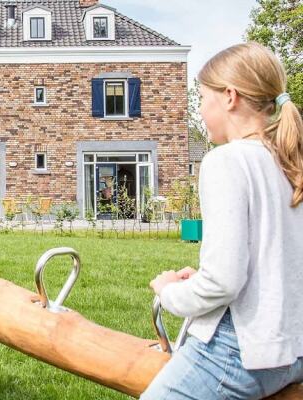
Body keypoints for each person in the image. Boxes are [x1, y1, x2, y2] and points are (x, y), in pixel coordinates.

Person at [142, 42, 303, 399]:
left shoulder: (226, 161)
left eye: (201, 98)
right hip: (292, 350)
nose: (198, 110)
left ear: (229, 96)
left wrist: (171, 292)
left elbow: (224, 283)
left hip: (239, 353)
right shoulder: (289, 162)